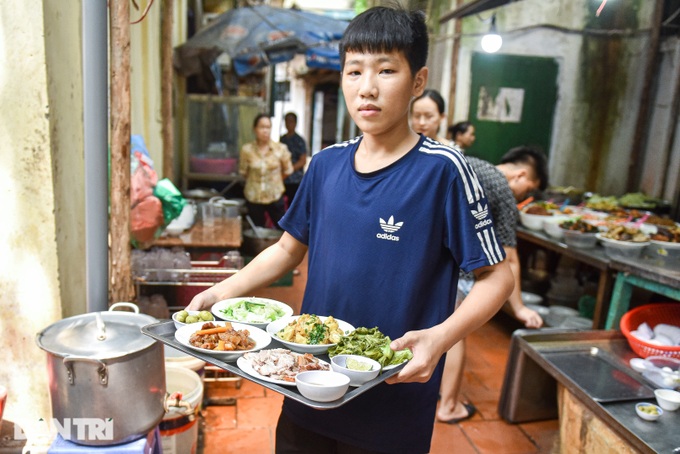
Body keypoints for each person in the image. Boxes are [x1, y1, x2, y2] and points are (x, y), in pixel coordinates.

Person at [188, 6, 514, 453]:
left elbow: (497, 278)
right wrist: (223, 291)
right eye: (354, 71)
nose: (368, 88)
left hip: (393, 394)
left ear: (417, 82)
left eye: (386, 70)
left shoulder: (444, 172)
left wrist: (440, 339)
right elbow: (287, 249)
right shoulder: (324, 166)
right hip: (310, 382)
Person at [437, 145, 547, 425]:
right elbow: (509, 258)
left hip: (424, 258)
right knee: (454, 332)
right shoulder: (502, 189)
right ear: (521, 176)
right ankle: (448, 405)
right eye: (528, 190)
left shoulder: (464, 162)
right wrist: (520, 308)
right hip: (455, 268)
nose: (523, 197)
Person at [239, 113, 293, 229]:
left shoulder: (280, 149)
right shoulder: (246, 150)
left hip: (275, 195)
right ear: (255, 129)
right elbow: (244, 172)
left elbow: (288, 170)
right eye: (262, 127)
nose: (265, 131)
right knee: (256, 230)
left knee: (282, 229)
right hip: (254, 196)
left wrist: (275, 179)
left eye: (268, 127)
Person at [280, 112, 308, 204]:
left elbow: (303, 160)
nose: (289, 124)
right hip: (282, 179)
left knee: (294, 204)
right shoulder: (282, 139)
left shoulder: (299, 140)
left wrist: (290, 169)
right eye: (287, 121)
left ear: (296, 123)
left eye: (291, 121)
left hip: (295, 179)